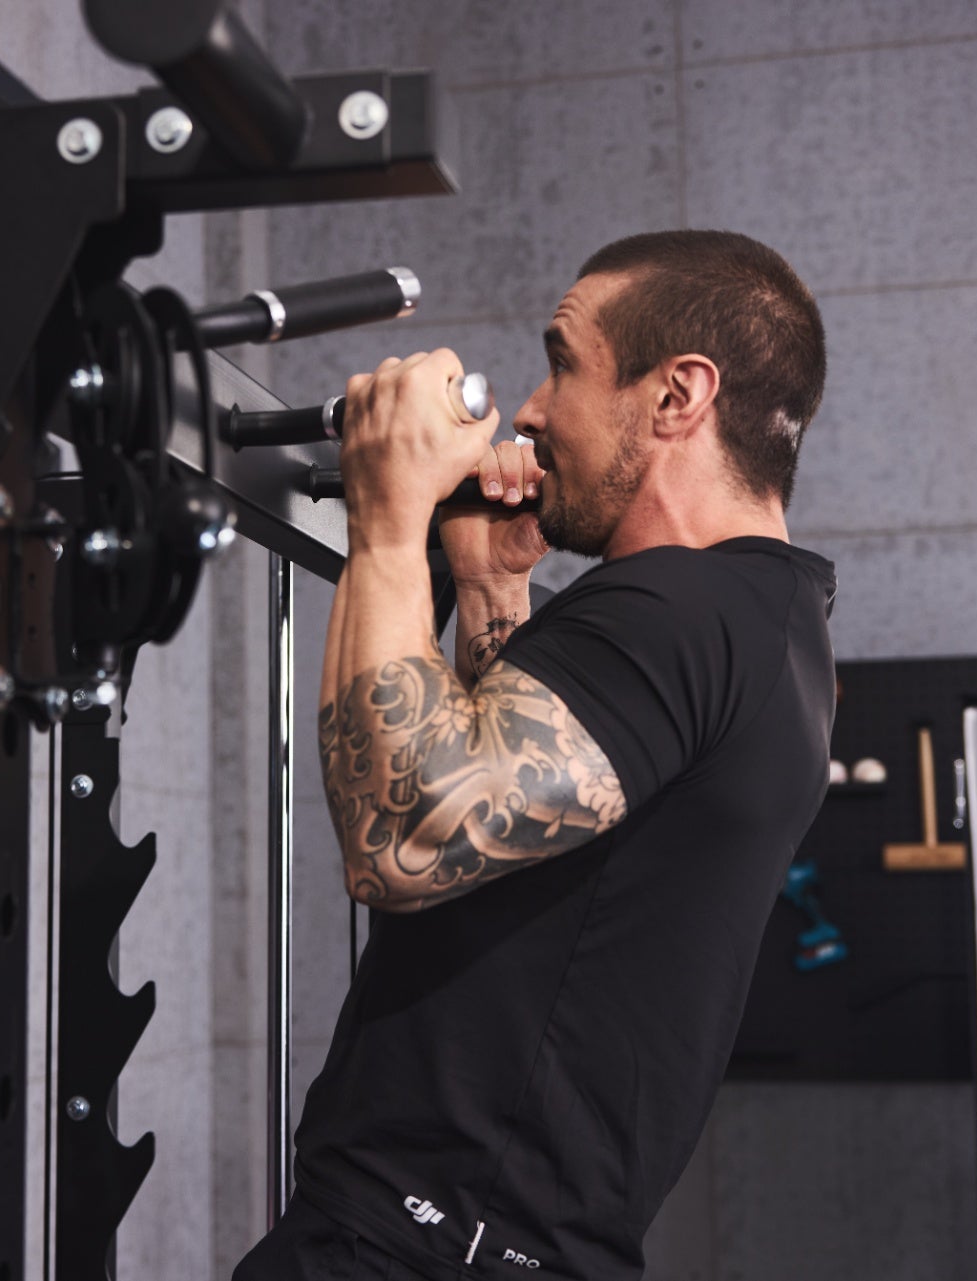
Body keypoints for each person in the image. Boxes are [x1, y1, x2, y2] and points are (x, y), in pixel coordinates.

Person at [232, 230, 838, 1280]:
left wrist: (389, 520)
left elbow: (408, 837)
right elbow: (543, 839)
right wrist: (489, 587)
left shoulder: (685, 610)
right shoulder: (764, 624)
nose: (529, 409)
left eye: (565, 364)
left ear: (677, 396)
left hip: (425, 1252)